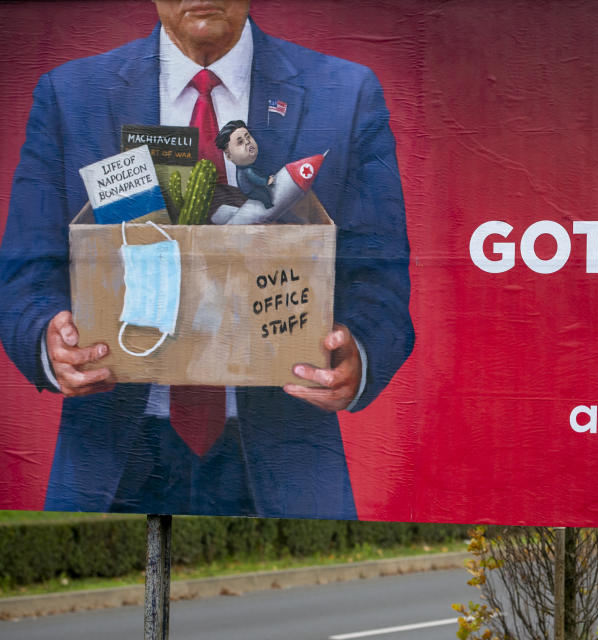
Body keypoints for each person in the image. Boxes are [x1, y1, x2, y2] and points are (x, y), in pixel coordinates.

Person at [0, 0, 414, 518]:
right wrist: (46, 341)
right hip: (109, 452)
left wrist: (361, 353)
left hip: (287, 457)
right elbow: (24, 271)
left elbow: (380, 276)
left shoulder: (346, 95)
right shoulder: (70, 96)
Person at [215, 119, 274, 207]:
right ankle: (269, 206)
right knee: (265, 194)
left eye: (248, 137)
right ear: (229, 155)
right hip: (250, 190)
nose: (247, 142)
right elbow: (256, 179)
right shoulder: (247, 170)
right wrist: (266, 181)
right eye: (240, 142)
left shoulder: (249, 165)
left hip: (250, 188)